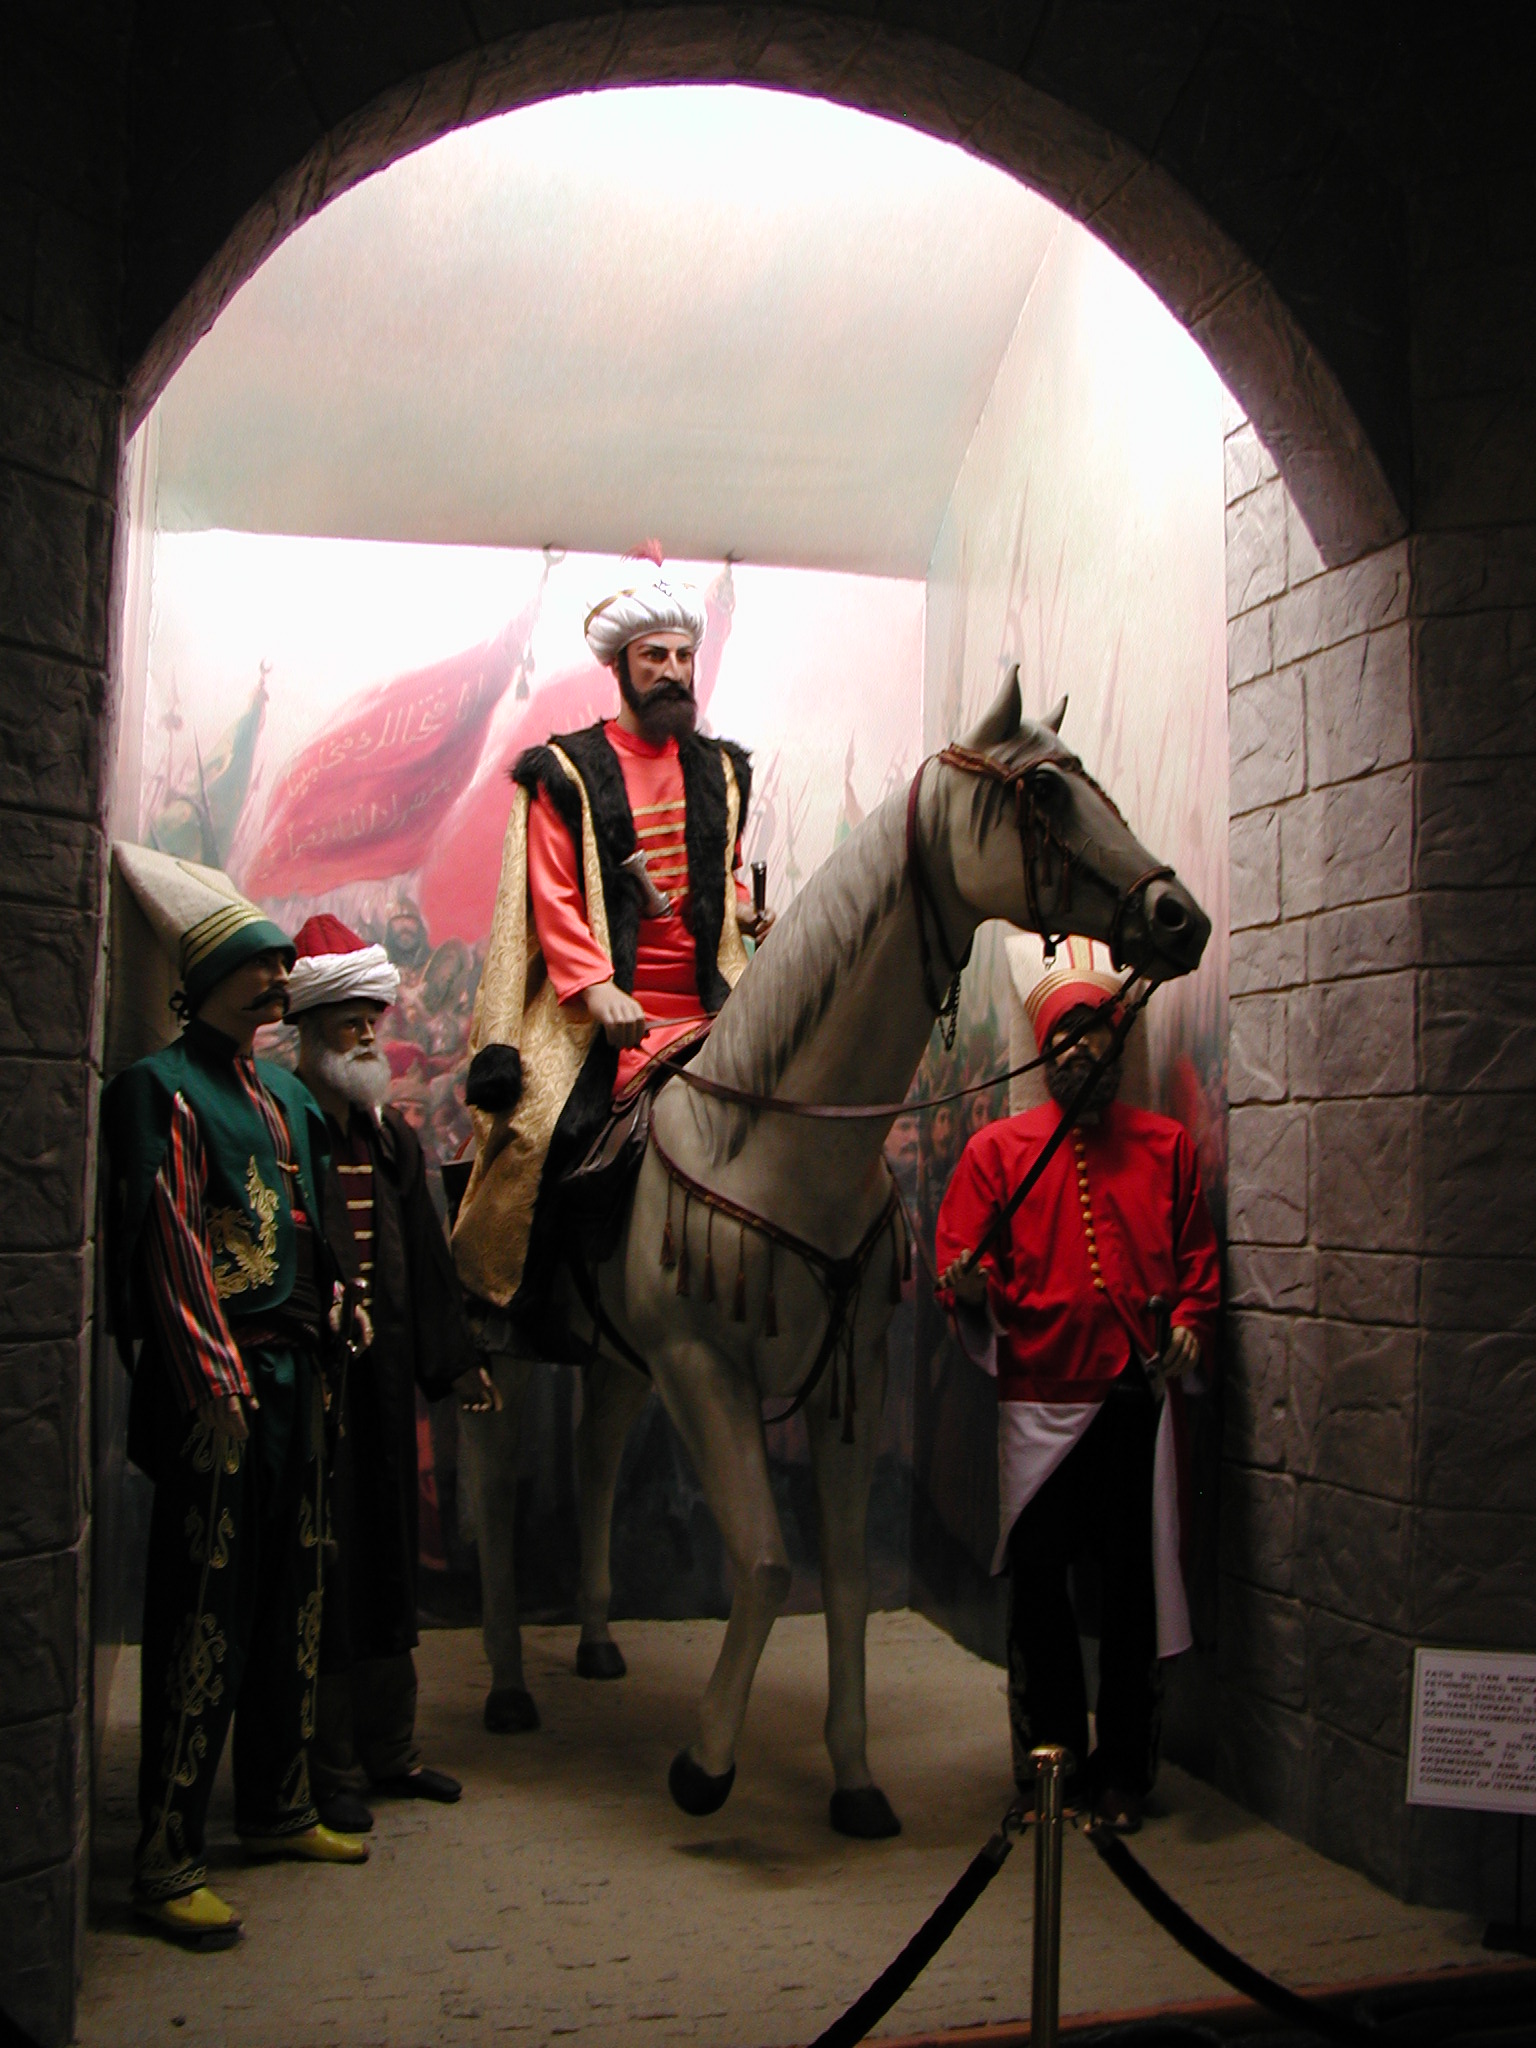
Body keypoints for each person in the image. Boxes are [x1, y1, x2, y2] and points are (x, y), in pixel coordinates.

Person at [451, 568, 771, 1729]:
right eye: (655, 659)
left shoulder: (722, 769)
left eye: (684, 655)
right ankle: (512, 1300)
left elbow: (722, 885)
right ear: (622, 668)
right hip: (603, 1015)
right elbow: (553, 897)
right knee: (539, 1133)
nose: (674, 673)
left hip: (712, 1003)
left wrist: (748, 933)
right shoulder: (566, 770)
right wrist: (595, 987)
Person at [101, 846, 368, 1952]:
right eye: (258, 966)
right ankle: (166, 1857)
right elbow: (166, 1242)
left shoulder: (291, 1095)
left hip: (304, 1382)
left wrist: (343, 1300)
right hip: (219, 1391)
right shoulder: (157, 1088)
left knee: (292, 1601)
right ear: (205, 979)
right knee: (201, 1613)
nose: (276, 981)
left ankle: (278, 1804)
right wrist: (211, 1376)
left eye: (279, 966)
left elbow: (315, 1230)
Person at [934, 957, 1220, 1834]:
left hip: (1134, 1398)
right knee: (1040, 1594)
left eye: (1093, 1034)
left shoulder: (1168, 1147)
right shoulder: (997, 1152)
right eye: (1062, 1037)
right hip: (1038, 1401)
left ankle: (1126, 1773)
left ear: (1116, 1044)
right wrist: (970, 1288)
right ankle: (1047, 1771)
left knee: (1135, 1591)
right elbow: (961, 1262)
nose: (1077, 1051)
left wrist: (1190, 1324)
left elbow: (1198, 1265)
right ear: (1043, 1049)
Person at [287, 914, 494, 1834]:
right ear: (311, 1030)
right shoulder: (284, 1132)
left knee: (388, 1560)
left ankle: (392, 1750)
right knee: (327, 1570)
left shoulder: (389, 1141)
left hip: (378, 1385)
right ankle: (327, 1762)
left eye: (371, 1019)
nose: (369, 1036)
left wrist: (456, 1364)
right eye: (349, 1022)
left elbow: (428, 1260)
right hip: (308, 1389)